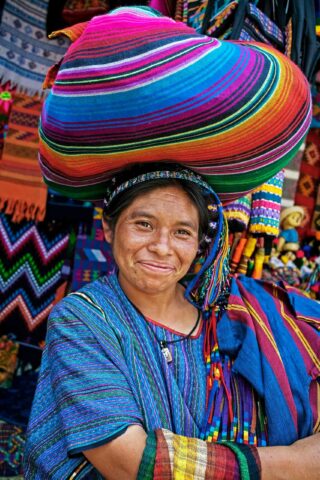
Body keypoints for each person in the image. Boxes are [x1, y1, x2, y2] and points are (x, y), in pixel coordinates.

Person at [24, 7, 319, 479]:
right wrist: (299, 464)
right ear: (109, 228)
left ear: (201, 242)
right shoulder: (81, 320)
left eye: (182, 232)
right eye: (143, 224)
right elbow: (130, 463)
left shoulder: (231, 319)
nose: (162, 247)